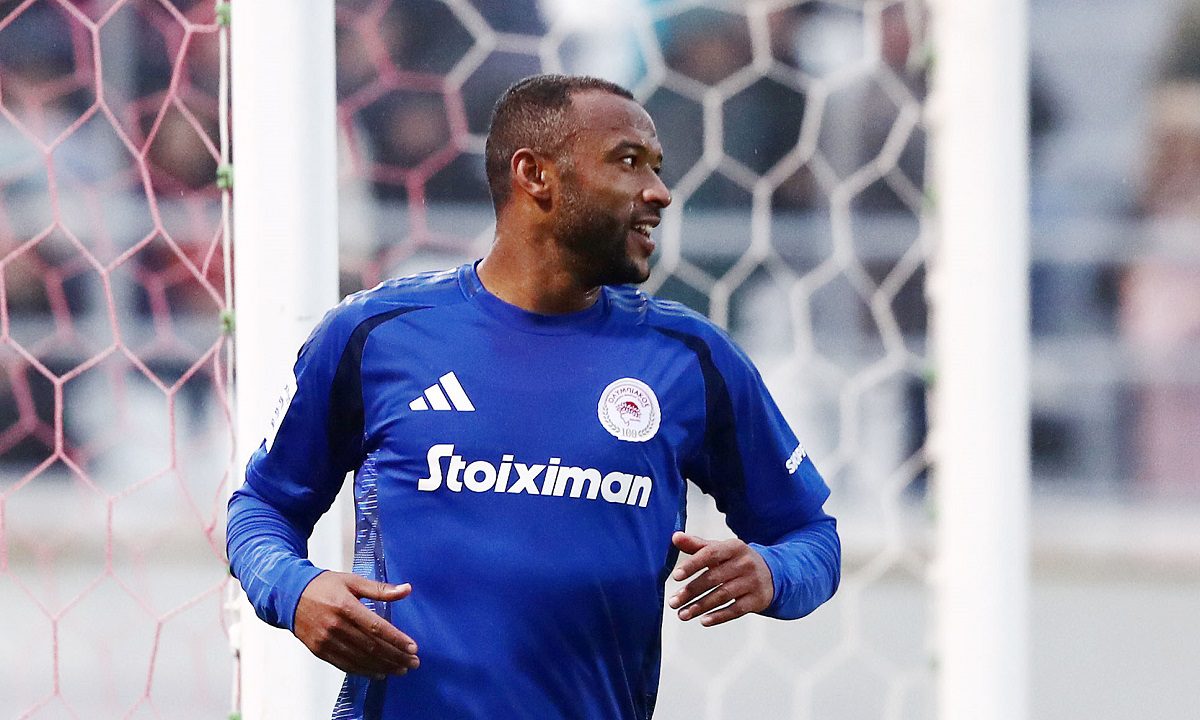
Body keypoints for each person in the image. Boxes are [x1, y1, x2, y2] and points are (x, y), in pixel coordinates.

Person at [226, 74, 840, 719]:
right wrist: (296, 590)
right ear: (535, 175)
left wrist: (773, 573)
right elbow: (260, 508)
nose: (659, 193)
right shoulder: (375, 335)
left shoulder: (691, 359)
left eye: (657, 168)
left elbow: (812, 537)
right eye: (628, 161)